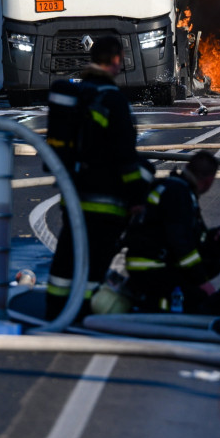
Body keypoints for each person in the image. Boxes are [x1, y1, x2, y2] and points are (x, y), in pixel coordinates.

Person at [44, 35, 153, 320]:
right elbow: (126, 158)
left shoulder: (78, 95)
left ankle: (54, 312)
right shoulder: (113, 100)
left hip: (75, 196)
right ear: (117, 60)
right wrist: (139, 198)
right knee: (94, 266)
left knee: (67, 259)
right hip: (106, 203)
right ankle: (82, 317)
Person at [91, 150, 220, 314]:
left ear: (187, 166)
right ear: (209, 181)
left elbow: (190, 234)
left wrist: (218, 232)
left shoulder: (174, 187)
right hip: (154, 270)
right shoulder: (180, 194)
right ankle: (159, 307)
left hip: (148, 265)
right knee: (202, 304)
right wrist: (202, 282)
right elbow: (181, 243)